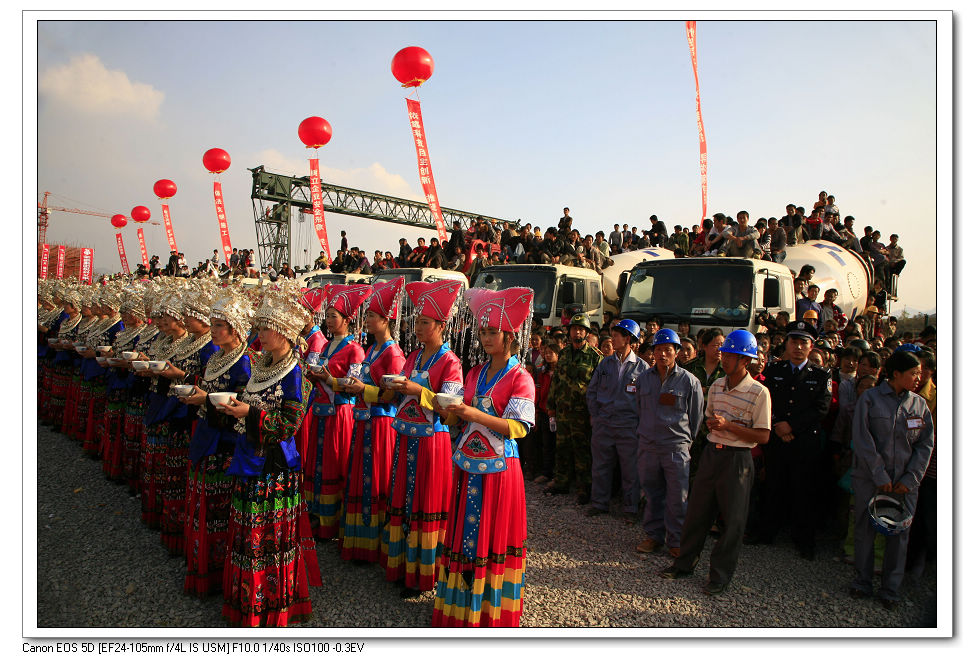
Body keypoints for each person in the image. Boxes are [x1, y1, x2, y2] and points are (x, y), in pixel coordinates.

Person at [216, 280, 320, 626]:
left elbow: (290, 425)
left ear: (284, 332)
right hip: (250, 457)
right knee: (248, 532)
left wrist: (251, 414)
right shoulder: (260, 364)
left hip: (274, 467)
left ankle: (271, 604)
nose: (259, 333)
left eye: (266, 327)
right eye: (259, 326)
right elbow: (252, 403)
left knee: (268, 537)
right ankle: (246, 599)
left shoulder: (296, 373)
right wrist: (239, 408)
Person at [432, 286, 535, 627]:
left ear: (510, 336)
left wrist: (472, 414)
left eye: (493, 333)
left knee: (490, 535)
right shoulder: (474, 373)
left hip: (500, 468)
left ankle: (488, 612)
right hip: (466, 465)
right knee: (464, 533)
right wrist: (442, 408)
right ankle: (460, 607)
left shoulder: (521, 378)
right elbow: (457, 416)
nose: (486, 338)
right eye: (483, 331)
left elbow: (518, 428)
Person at [659, 330, 771, 595]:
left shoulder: (759, 392)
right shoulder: (718, 386)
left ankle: (719, 576)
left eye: (730, 354)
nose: (724, 358)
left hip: (737, 459)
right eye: (724, 353)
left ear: (745, 360)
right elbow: (709, 415)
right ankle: (684, 563)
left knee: (732, 521)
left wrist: (729, 426)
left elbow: (763, 435)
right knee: (697, 512)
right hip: (712, 453)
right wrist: (715, 425)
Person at [381, 280, 465, 596]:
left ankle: (424, 573)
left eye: (425, 322)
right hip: (406, 437)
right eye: (416, 321)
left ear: (441, 325)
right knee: (403, 498)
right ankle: (402, 565)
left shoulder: (451, 362)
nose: (418, 327)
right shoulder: (414, 357)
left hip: (432, 441)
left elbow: (452, 411)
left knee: (425, 502)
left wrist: (420, 392)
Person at [180, 285, 253, 597]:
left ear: (234, 329)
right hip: (206, 432)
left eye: (218, 325)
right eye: (211, 324)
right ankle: (201, 565)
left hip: (225, 441)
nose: (213, 331)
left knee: (220, 507)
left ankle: (219, 571)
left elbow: (242, 400)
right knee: (204, 504)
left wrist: (206, 399)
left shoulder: (246, 361)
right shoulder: (215, 358)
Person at [848, 350, 934, 609]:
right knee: (865, 530)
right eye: (913, 373)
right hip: (871, 479)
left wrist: (911, 478)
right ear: (896, 374)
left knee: (900, 535)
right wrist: (879, 474)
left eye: (919, 373)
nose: (918, 378)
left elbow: (925, 445)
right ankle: (862, 581)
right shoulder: (870, 400)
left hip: (904, 485)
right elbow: (863, 440)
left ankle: (890, 589)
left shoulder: (919, 405)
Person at [339, 277, 407, 563]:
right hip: (364, 419)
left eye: (372, 316)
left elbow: (390, 396)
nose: (367, 320)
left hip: (380, 423)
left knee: (375, 481)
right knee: (361, 477)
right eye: (366, 315)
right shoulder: (372, 349)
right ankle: (360, 541)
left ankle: (375, 543)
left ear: (386, 320)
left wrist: (361, 389)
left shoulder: (393, 353)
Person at [753, 321, 832, 560]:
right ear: (786, 344)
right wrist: (778, 424)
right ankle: (767, 532)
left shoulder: (820, 376)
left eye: (803, 342)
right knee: (773, 486)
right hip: (777, 438)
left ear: (811, 346)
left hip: (804, 443)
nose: (798, 347)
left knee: (803, 490)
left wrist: (793, 427)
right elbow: (766, 401)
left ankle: (804, 540)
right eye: (793, 341)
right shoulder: (775, 371)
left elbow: (821, 408)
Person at [155, 282, 219, 555]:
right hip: (184, 410)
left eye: (191, 315)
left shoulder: (214, 350)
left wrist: (181, 378)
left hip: (203, 419)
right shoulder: (194, 343)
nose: (185, 320)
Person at [303, 284, 370, 539]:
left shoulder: (355, 349)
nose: (329, 321)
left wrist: (328, 379)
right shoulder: (326, 346)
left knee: (335, 462)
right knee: (317, 462)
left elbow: (352, 384)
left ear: (347, 320)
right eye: (327, 315)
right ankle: (316, 517)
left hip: (340, 412)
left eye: (334, 316)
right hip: (321, 410)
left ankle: (332, 523)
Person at [635, 329, 704, 556]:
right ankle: (653, 536)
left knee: (677, 496)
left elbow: (696, 418)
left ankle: (676, 539)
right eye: (658, 349)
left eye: (667, 350)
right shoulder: (644, 379)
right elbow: (638, 409)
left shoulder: (689, 381)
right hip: (648, 446)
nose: (662, 354)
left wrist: (683, 441)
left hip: (675, 448)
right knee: (652, 493)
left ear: (677, 352)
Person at [585, 319, 650, 519]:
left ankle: (631, 508)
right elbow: (592, 392)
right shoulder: (605, 363)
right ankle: (599, 503)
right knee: (600, 466)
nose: (612, 339)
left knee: (631, 470)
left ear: (628, 338)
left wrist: (638, 425)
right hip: (604, 423)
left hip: (628, 426)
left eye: (616, 336)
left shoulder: (642, 368)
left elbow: (646, 401)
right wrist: (596, 416)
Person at [545, 313, 602, 505]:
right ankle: (561, 482)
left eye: (581, 329)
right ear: (569, 332)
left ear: (586, 333)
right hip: (562, 410)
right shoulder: (563, 353)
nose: (577, 332)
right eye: (574, 329)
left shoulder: (595, 357)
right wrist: (551, 404)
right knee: (562, 447)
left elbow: (598, 388)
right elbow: (556, 381)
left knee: (582, 450)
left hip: (582, 412)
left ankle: (584, 487)